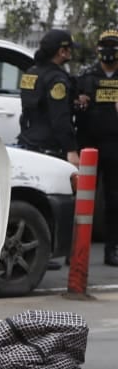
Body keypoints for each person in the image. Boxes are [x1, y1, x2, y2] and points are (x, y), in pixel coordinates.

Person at [74, 29, 118, 266]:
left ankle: (112, 250)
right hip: (89, 145)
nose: (109, 50)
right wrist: (79, 103)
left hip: (115, 145)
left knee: (113, 199)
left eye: (113, 45)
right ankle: (77, 251)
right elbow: (72, 107)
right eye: (105, 45)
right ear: (98, 49)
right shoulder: (86, 75)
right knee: (82, 199)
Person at [18, 28, 81, 168]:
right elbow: (60, 117)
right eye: (69, 49)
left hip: (28, 141)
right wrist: (71, 149)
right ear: (62, 52)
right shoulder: (57, 79)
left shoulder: (30, 73)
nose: (71, 52)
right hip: (50, 147)